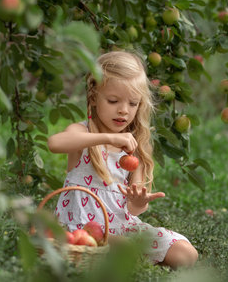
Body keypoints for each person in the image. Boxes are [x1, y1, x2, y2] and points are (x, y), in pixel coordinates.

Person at [47, 51, 198, 268]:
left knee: (186, 254)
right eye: (113, 100)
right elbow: (55, 143)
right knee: (125, 250)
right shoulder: (82, 133)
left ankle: (122, 256)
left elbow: (132, 210)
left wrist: (138, 203)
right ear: (93, 97)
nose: (123, 110)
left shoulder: (135, 146)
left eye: (133, 103)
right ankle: (118, 257)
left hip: (120, 225)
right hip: (82, 227)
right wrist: (109, 137)